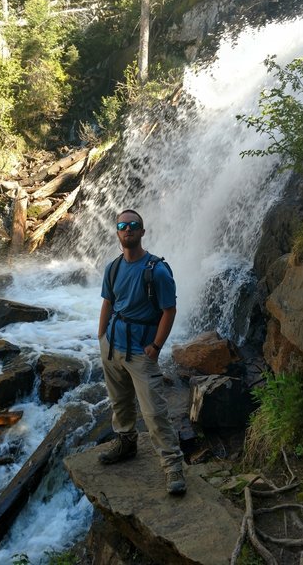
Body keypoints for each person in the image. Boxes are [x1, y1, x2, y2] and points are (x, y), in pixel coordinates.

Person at [97, 208, 186, 495]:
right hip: (113, 346)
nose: (128, 229)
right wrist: (101, 337)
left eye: (134, 225)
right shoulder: (113, 267)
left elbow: (169, 311)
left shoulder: (156, 271)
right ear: (117, 232)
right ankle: (126, 443)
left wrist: (156, 347)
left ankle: (173, 466)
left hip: (140, 352)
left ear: (142, 232)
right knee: (120, 402)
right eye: (123, 225)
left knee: (154, 412)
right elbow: (108, 303)